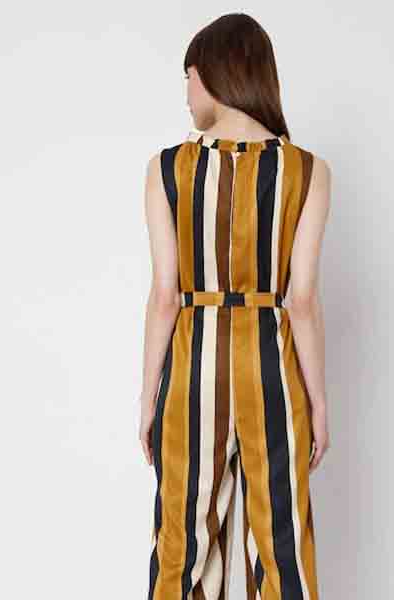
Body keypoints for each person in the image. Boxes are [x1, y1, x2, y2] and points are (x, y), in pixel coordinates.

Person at [139, 13, 331, 600]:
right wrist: (318, 402)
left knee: (181, 541)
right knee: (281, 543)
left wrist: (148, 398)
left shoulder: (168, 168)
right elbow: (302, 299)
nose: (186, 92)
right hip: (272, 362)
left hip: (193, 363)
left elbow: (165, 295)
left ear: (216, 74)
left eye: (189, 76)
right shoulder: (307, 171)